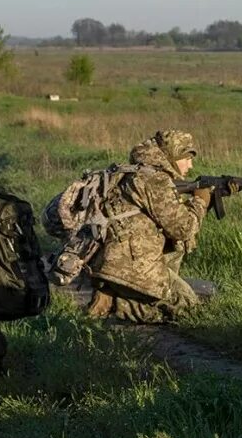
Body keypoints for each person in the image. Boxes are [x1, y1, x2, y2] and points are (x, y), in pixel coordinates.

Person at [85, 130, 218, 324]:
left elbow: (170, 226)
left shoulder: (134, 172)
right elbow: (184, 229)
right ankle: (118, 302)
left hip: (112, 260)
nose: (191, 165)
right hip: (130, 267)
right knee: (189, 310)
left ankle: (118, 294)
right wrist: (200, 200)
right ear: (171, 156)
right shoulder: (156, 181)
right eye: (186, 158)